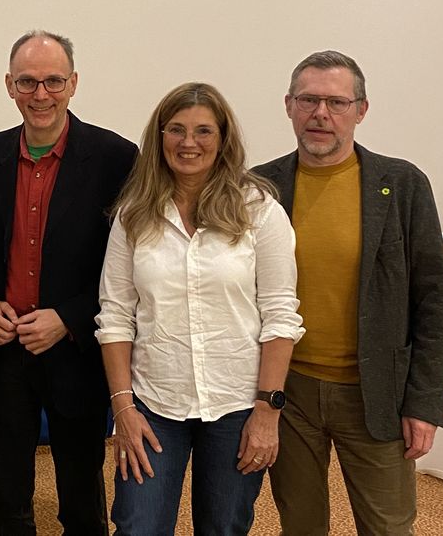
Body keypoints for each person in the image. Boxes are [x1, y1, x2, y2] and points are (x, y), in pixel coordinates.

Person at [253, 50, 443, 535]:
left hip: (376, 391)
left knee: (388, 526)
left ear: (361, 110)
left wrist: (424, 405)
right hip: (289, 392)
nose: (320, 113)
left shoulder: (402, 185)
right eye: (308, 100)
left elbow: (432, 302)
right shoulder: (259, 187)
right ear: (288, 105)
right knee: (301, 525)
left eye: (337, 102)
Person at [96, 82, 304, 535]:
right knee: (137, 526)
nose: (188, 142)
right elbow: (114, 317)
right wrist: (123, 410)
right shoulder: (134, 215)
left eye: (203, 131)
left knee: (224, 527)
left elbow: (280, 315)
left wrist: (267, 412)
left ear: (223, 138)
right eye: (176, 129)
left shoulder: (259, 211)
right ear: (160, 137)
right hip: (153, 402)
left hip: (237, 403)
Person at [0, 30, 137, 535]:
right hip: (4, 353)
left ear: (73, 83)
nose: (40, 94)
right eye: (27, 82)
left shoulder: (116, 157)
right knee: (8, 501)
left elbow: (124, 267)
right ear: (9, 86)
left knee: (82, 501)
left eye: (53, 81)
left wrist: (68, 317)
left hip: (76, 353)